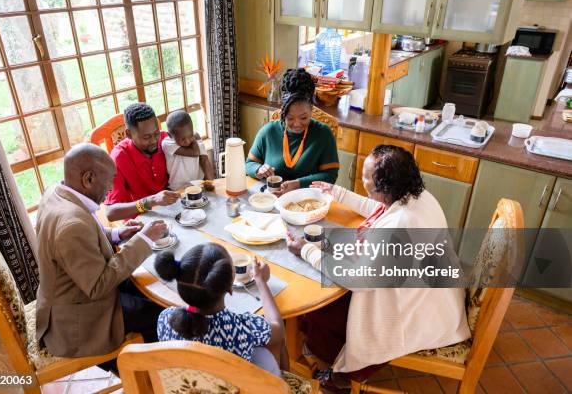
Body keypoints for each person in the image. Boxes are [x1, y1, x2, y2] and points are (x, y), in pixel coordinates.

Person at [287, 145, 470, 389]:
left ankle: (342, 376)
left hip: (418, 313)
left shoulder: (398, 227)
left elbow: (357, 280)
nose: (362, 182)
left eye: (367, 181)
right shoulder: (416, 194)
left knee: (324, 307)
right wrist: (337, 193)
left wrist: (307, 250)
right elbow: (379, 208)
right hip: (437, 289)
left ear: (386, 189)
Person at [35, 143, 168, 359]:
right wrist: (144, 239)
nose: (111, 187)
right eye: (110, 179)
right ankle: (139, 374)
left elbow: (83, 238)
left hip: (73, 293)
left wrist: (117, 234)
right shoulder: (72, 225)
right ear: (88, 179)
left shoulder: (56, 193)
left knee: (145, 287)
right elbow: (98, 286)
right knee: (161, 314)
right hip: (79, 320)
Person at [154, 243, 288, 375]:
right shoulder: (243, 328)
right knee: (276, 345)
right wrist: (261, 281)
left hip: (185, 386)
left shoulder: (165, 318)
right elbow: (279, 329)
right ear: (230, 287)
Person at [245, 68, 339, 194]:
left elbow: (330, 176)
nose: (297, 124)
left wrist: (298, 184)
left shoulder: (323, 134)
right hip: (271, 200)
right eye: (290, 118)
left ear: (312, 110)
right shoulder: (268, 132)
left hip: (307, 202)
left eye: (303, 117)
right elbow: (249, 164)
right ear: (283, 112)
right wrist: (258, 169)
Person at [105, 103, 180, 222]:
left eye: (156, 133)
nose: (154, 140)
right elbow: (111, 213)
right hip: (141, 220)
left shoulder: (165, 140)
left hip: (173, 211)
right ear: (129, 134)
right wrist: (151, 201)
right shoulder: (119, 158)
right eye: (146, 137)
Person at [162, 110, 214, 191]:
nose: (187, 141)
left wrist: (210, 183)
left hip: (198, 184)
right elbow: (195, 152)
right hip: (178, 188)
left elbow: (204, 160)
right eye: (182, 139)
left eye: (190, 136)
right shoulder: (167, 143)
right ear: (170, 135)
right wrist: (194, 137)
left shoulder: (195, 136)